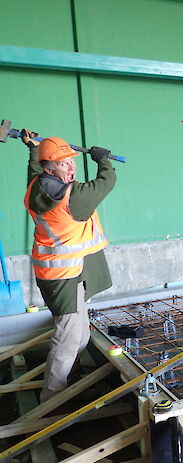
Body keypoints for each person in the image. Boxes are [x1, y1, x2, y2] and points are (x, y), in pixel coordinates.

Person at [21, 130, 116, 401]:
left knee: (80, 333)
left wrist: (32, 149)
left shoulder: (36, 187)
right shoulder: (72, 198)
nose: (72, 166)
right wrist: (103, 160)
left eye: (72, 161)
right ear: (49, 167)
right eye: (64, 163)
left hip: (57, 272)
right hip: (66, 274)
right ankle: (52, 400)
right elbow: (106, 182)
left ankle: (69, 382)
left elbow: (33, 169)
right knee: (68, 337)